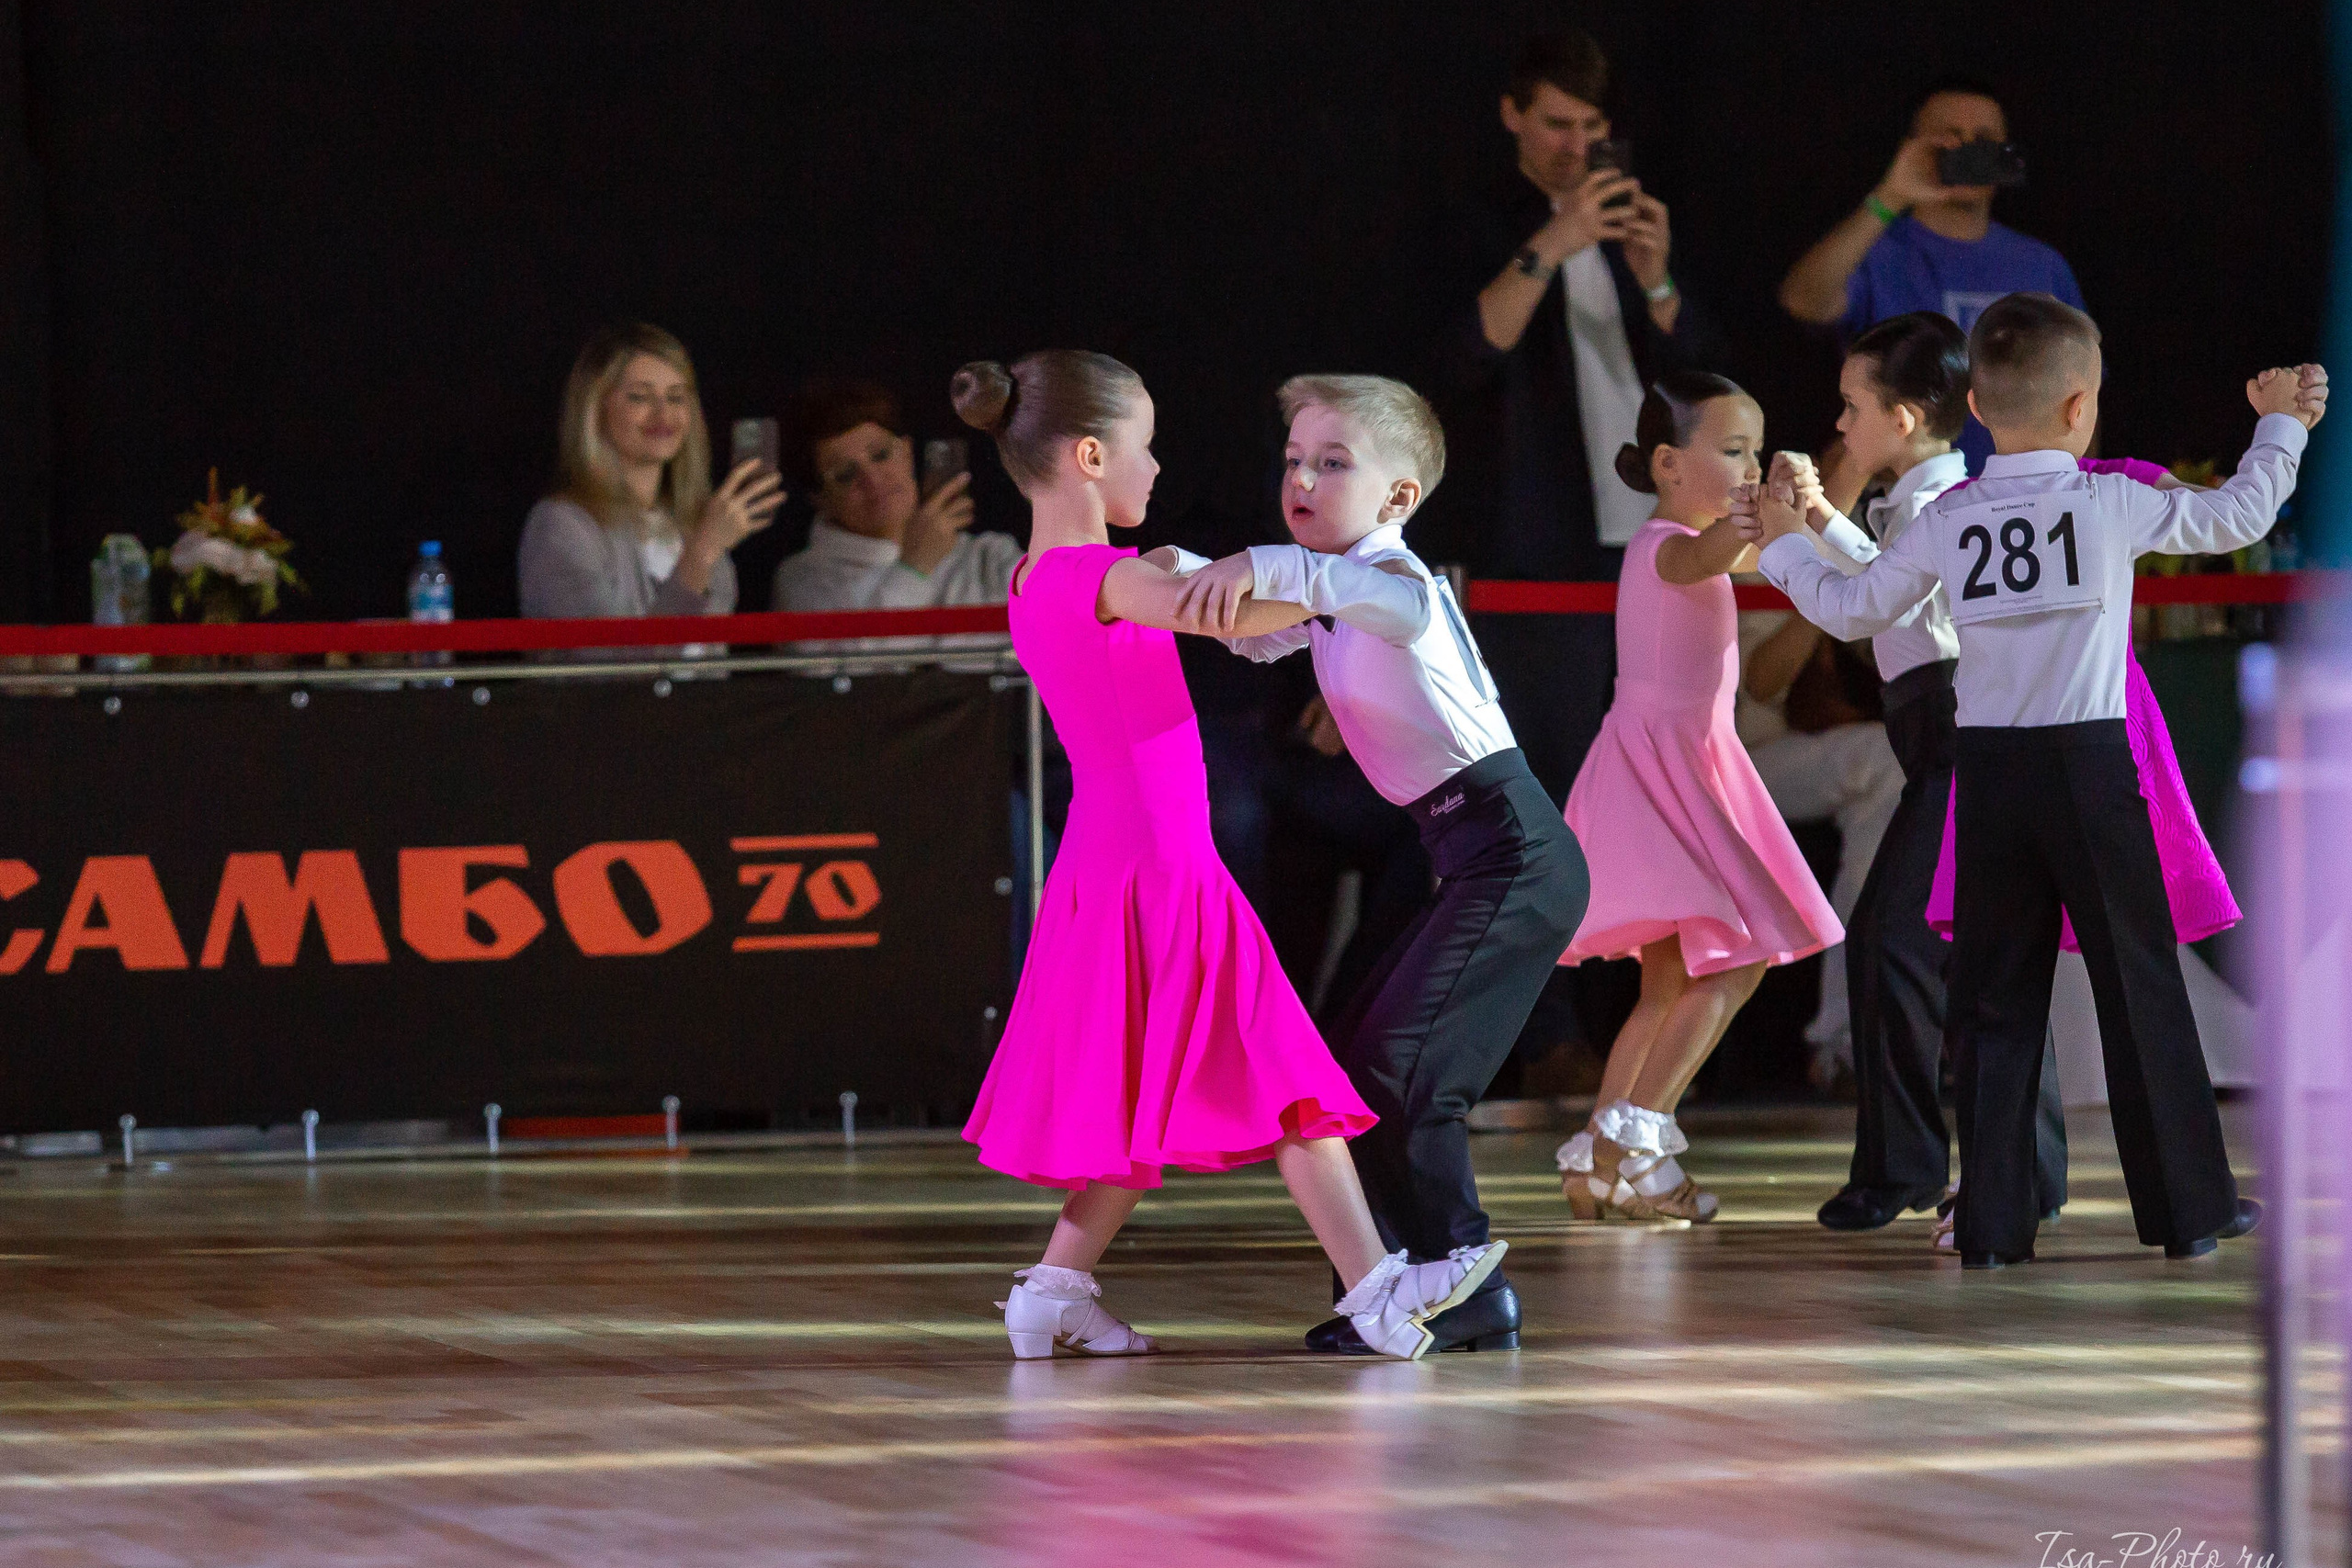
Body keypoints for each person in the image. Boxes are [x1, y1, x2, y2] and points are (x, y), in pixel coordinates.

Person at [952, 351, 1505, 1361]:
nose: (1157, 468)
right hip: (1162, 866)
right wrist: (1369, 580)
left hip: (1120, 860)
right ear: (1087, 457)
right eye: (1143, 447)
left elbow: (1177, 598)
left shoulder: (1037, 578)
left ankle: (1056, 1287)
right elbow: (1223, 612)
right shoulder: (1103, 576)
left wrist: (1189, 572)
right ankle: (1379, 1287)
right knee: (1287, 1068)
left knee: (1149, 1081)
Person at [1755, 290, 2322, 1267]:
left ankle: (1991, 1226)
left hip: (1991, 775)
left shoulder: (1953, 515)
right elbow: (2241, 511)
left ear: (1972, 406)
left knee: (1992, 1003)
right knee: (2136, 985)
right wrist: (2281, 421)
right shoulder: (2109, 500)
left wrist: (1779, 545)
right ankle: (2187, 1212)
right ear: (2079, 406)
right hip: (2092, 768)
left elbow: (1857, 609)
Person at [1173, 375, 1587, 1355]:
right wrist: (1161, 575)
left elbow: (1328, 589)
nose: (1301, 480)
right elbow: (1246, 621)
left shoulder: (1401, 585)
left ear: (1397, 499)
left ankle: (1463, 1278)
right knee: (1348, 1076)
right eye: (1292, 462)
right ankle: (1385, 1289)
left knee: (1402, 1073)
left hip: (1518, 858)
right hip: (1474, 860)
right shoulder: (1330, 597)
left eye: (1332, 463)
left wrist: (1250, 563)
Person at [1755, 314, 2065, 1234]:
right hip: (1938, 734)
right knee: (1938, 951)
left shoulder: (1948, 501)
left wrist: (1800, 532)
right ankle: (1944, 1168)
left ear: (1905, 414)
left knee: (1905, 943)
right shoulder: (1920, 503)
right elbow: (1890, 584)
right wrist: (1816, 519)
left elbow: (1877, 603)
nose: (1841, 426)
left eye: (1853, 407)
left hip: (1965, 731)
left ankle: (1930, 1170)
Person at [1553, 371, 1842, 1224]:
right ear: (1670, 464)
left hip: (1689, 760)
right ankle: (1631, 1138)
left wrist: (1831, 488)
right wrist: (1772, 502)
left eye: (1756, 449)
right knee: (1744, 953)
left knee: (1668, 979)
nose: (1751, 466)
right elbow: (1721, 547)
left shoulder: (1702, 538)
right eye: (1734, 450)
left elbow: (1779, 547)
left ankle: (1609, 1168)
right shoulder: (1667, 546)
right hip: (1663, 767)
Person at [1418, 26, 1726, 821]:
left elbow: (1702, 377)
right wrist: (1551, 245)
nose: (1577, 147)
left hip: (1653, 536)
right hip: (1537, 548)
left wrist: (1659, 284)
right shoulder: (1476, 221)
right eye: (1558, 124)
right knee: (1551, 785)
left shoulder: (1631, 225)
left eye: (1593, 130)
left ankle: (1632, 947)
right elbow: (1458, 363)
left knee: (1651, 789)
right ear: (1512, 115)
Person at [1777, 78, 2084, 471]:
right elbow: (1803, 301)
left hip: (2023, 498)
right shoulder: (1876, 251)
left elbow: (2082, 390)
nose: (1969, 148)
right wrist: (1893, 194)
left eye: (1985, 138)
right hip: (1906, 499)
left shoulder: (2043, 265)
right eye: (1950, 136)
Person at [1734, 576, 1902, 1089]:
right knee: (1885, 759)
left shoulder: (1855, 525)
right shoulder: (1743, 532)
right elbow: (1761, 681)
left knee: (1893, 793)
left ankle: (1857, 1042)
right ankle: (1844, 1039)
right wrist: (1824, 593)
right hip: (1738, 760)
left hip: (1834, 748)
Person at [518, 323, 780, 635]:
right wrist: (703, 552)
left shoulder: (692, 523)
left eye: (675, 398)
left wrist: (706, 544)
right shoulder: (561, 526)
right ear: (595, 409)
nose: (663, 415)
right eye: (640, 398)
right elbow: (612, 662)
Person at [771, 379, 1020, 615]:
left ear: (908, 452)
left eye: (880, 454)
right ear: (819, 498)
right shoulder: (802, 578)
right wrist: (914, 568)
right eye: (845, 474)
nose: (872, 479)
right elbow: (858, 660)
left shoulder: (988, 556)